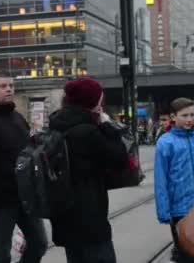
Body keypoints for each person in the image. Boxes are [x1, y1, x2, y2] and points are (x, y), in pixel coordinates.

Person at [48, 78, 129, 263]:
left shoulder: (57, 125)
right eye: (100, 99)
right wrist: (107, 125)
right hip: (90, 218)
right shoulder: (88, 132)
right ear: (91, 102)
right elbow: (120, 158)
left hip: (65, 214)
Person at [0, 72, 48, 263]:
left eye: (11, 86)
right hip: (0, 198)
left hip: (25, 194)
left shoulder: (17, 117)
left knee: (39, 243)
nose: (9, 90)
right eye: (3, 86)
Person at [154, 98, 194, 263]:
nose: (189, 119)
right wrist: (164, 211)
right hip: (180, 210)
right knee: (185, 255)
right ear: (173, 117)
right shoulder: (165, 142)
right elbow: (161, 179)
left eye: (192, 115)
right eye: (184, 115)